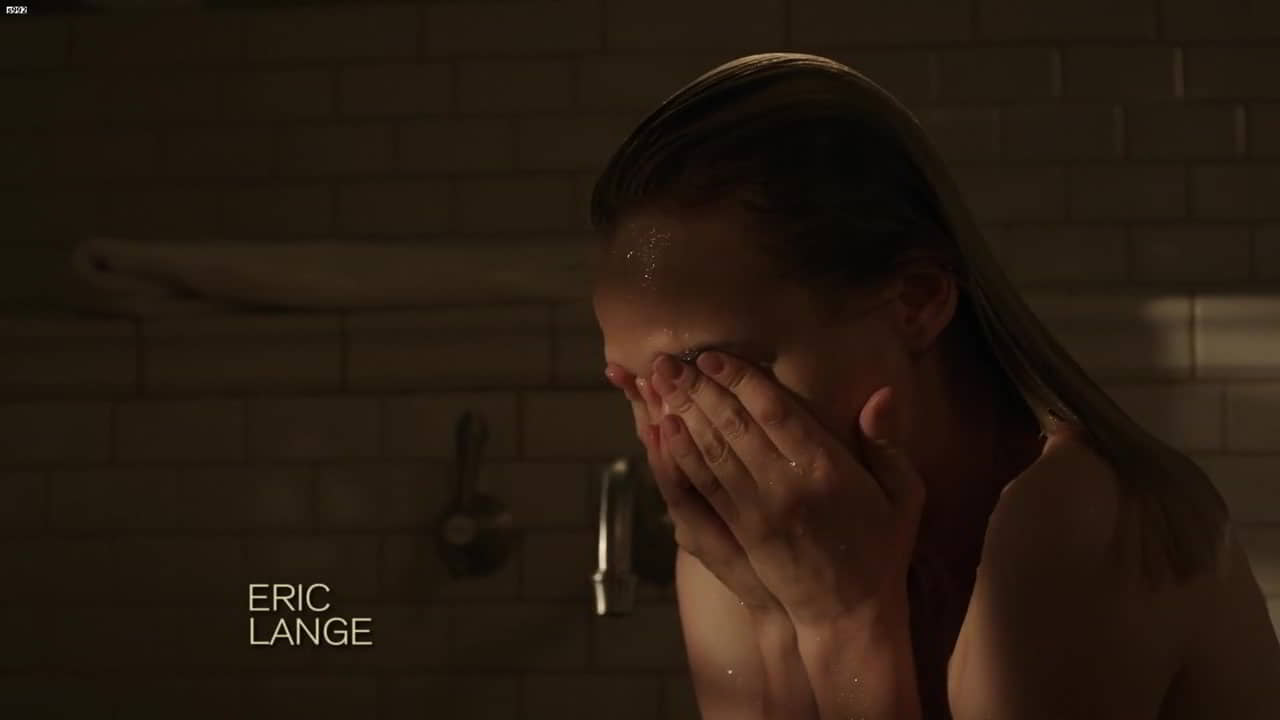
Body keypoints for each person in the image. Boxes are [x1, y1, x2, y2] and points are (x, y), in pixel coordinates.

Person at [590, 52, 1280, 720]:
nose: (680, 433)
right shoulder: (746, 555)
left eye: (711, 373)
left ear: (916, 301)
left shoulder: (1069, 516)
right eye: (639, 388)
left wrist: (845, 622)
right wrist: (774, 616)